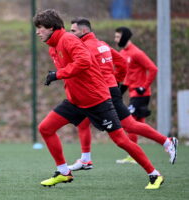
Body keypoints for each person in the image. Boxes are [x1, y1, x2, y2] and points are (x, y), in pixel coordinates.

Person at [34, 9, 164, 189]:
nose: (37, 31)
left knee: (121, 140)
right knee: (46, 128)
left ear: (50, 27)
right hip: (76, 101)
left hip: (96, 100)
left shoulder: (69, 39)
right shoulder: (53, 47)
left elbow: (84, 61)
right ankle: (64, 172)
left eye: (40, 27)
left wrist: (58, 74)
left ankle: (154, 174)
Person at [68, 18, 178, 170]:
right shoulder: (102, 44)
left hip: (102, 92)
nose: (70, 34)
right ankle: (86, 159)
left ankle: (166, 144)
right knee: (84, 122)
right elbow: (121, 63)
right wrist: (117, 81)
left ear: (84, 31)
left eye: (73, 31)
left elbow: (77, 68)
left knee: (129, 125)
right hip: (106, 89)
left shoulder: (85, 47)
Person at [113, 26, 174, 164]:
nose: (115, 40)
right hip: (133, 92)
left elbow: (153, 68)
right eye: (115, 37)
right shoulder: (122, 53)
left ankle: (164, 143)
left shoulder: (136, 53)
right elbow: (129, 74)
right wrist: (121, 90)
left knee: (130, 123)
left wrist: (144, 86)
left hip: (141, 94)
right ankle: (140, 153)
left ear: (125, 37)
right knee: (138, 123)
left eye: (117, 37)